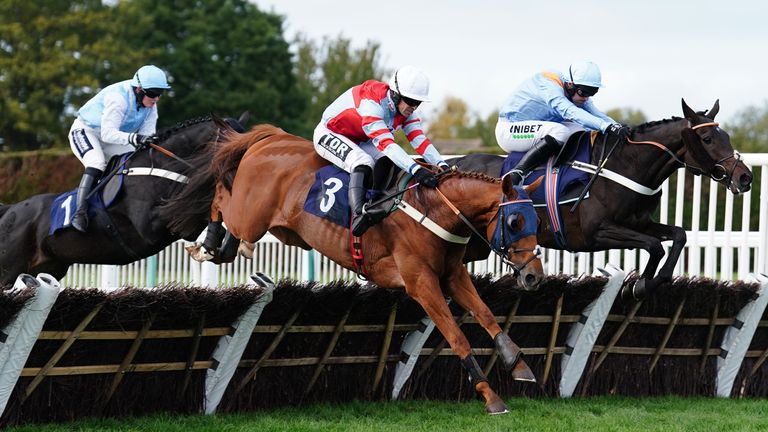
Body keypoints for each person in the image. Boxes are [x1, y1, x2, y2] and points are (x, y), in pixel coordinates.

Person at [313, 65, 449, 236]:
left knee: (389, 161)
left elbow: (419, 140)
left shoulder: (406, 110)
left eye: (418, 103)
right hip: (330, 133)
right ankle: (358, 214)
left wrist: (441, 163)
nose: (414, 107)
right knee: (363, 162)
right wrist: (416, 169)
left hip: (362, 138)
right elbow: (387, 144)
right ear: (395, 94)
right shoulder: (372, 103)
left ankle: (378, 203)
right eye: (411, 101)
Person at [68, 64, 171, 232]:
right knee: (97, 162)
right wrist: (135, 138)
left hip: (112, 137)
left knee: (136, 162)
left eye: (160, 94)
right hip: (86, 131)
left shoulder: (151, 106)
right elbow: (109, 133)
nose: (156, 99)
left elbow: (146, 137)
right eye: (153, 94)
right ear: (138, 89)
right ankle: (80, 213)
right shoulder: (119, 99)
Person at [496, 60, 630, 185]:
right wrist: (607, 127)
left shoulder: (574, 89)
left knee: (582, 131)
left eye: (592, 93)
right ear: (570, 85)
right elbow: (570, 112)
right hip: (509, 130)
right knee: (560, 132)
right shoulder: (549, 85)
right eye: (583, 92)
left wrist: (616, 126)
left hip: (534, 128)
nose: (586, 98)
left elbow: (596, 114)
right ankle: (518, 173)